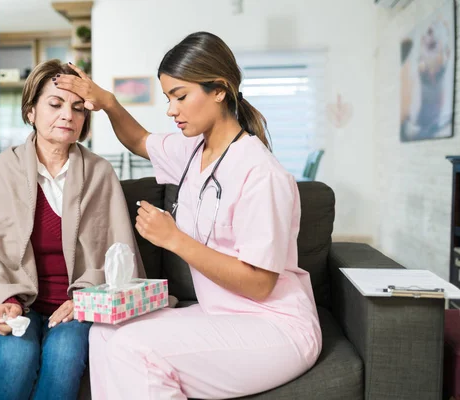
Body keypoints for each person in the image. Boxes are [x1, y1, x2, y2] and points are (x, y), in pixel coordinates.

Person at [55, 32, 322, 399]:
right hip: (222, 315)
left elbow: (260, 283)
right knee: (104, 332)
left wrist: (174, 239)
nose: (171, 109)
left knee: (132, 349)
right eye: (168, 98)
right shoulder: (193, 151)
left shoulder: (262, 174)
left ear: (219, 90)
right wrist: (108, 102)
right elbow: (138, 139)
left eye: (180, 96)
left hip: (275, 326)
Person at [0, 59, 145, 400]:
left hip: (76, 304)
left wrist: (86, 299)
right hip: (16, 303)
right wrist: (5, 300)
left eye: (77, 108)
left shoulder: (101, 173)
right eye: (55, 104)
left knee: (65, 354)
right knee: (17, 354)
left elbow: (120, 257)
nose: (68, 116)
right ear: (30, 111)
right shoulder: (1, 170)